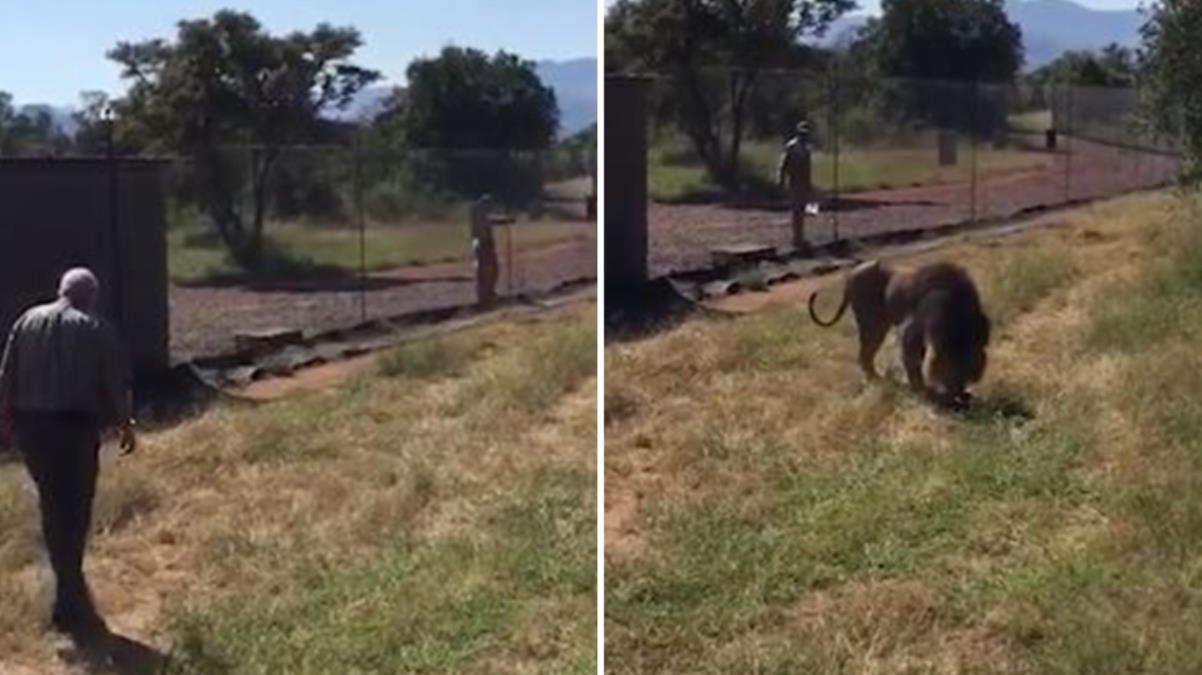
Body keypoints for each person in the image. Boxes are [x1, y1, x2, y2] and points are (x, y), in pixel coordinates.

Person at [0, 267, 137, 639]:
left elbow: (6, 375)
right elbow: (113, 382)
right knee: (75, 510)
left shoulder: (26, 321)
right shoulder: (96, 330)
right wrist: (126, 424)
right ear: (90, 296)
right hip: (74, 430)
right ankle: (70, 597)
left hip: (34, 431)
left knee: (51, 504)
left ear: (61, 290)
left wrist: (6, 421)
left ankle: (66, 595)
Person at [778, 119, 815, 255]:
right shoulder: (791, 146)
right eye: (802, 133)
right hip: (794, 182)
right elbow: (783, 164)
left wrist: (810, 183)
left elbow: (808, 168)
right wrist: (781, 180)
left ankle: (800, 237)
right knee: (796, 211)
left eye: (806, 133)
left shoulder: (807, 148)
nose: (804, 135)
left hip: (803, 183)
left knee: (802, 210)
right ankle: (796, 238)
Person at [470, 194, 500, 306]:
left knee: (489, 270)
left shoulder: (476, 211)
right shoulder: (479, 212)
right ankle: (485, 295)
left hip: (482, 242)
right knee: (488, 270)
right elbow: (485, 225)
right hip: (483, 243)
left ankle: (486, 294)